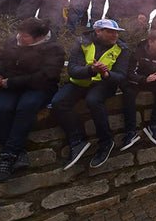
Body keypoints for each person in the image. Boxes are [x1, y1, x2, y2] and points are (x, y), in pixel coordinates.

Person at [0, 18, 64, 183]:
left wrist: (9, 82)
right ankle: (17, 152)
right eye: (19, 34)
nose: (20, 38)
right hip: (10, 85)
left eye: (25, 36)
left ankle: (7, 157)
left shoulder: (54, 49)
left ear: (40, 37)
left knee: (26, 107)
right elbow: (1, 60)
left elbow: (44, 77)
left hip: (39, 87)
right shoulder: (13, 41)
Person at [52, 19, 129, 170]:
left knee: (93, 100)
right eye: (110, 31)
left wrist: (106, 74)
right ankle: (77, 140)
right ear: (98, 31)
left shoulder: (122, 48)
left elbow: (121, 76)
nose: (115, 35)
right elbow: (72, 69)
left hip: (104, 84)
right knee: (58, 102)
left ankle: (106, 142)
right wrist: (91, 70)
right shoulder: (81, 42)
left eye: (117, 32)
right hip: (80, 82)